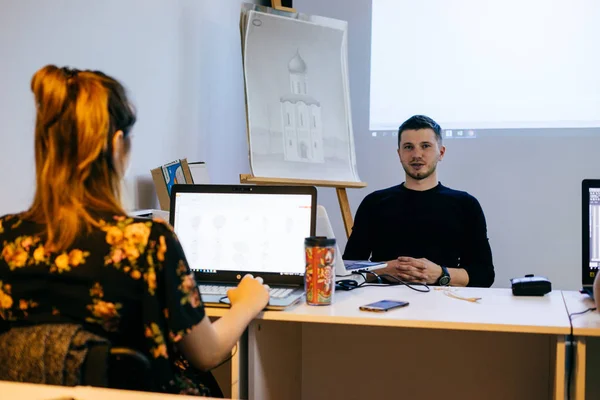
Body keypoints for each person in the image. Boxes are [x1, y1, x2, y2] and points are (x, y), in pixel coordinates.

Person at [0, 65, 270, 396]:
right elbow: (208, 353)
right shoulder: (148, 244)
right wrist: (246, 303)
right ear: (117, 146)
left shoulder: (5, 237)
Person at [343, 115, 494, 287]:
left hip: (446, 304)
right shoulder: (374, 203)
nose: (416, 154)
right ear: (399, 154)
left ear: (441, 152)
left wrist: (440, 274)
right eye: (408, 147)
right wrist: (384, 269)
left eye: (425, 146)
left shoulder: (466, 204)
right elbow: (347, 269)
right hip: (381, 304)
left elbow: (484, 275)